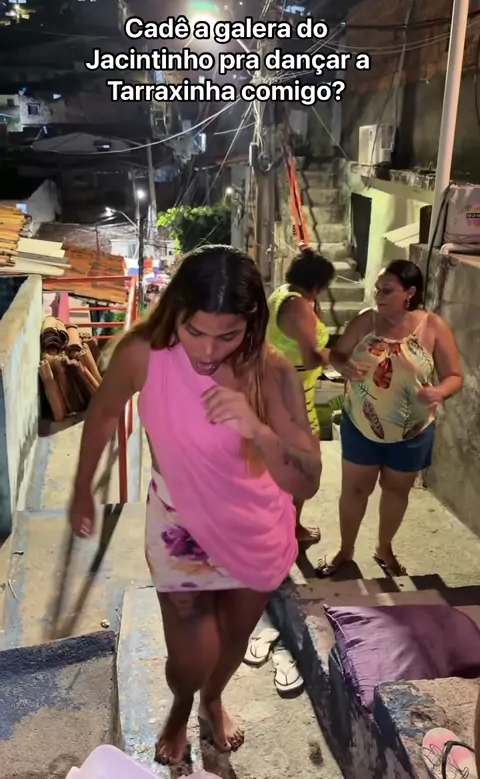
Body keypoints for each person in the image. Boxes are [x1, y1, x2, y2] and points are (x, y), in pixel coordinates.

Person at [69, 245, 321, 765]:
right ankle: (183, 703)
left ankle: (212, 700)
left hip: (256, 527)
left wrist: (256, 429)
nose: (207, 350)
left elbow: (309, 478)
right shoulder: (142, 353)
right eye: (195, 331)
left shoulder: (272, 371)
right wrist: (81, 487)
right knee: (190, 653)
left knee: (232, 638)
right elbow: (103, 414)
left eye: (228, 335)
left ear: (251, 323)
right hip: (179, 527)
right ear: (177, 310)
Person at [317, 259, 463, 578]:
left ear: (409, 293)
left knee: (396, 491)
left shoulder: (433, 327)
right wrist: (343, 366)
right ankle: (345, 549)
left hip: (412, 431)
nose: (378, 295)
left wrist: (439, 392)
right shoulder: (365, 320)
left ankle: (384, 548)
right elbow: (337, 353)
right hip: (361, 424)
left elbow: (454, 375)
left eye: (387, 290)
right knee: (355, 490)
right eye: (377, 289)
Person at [267, 247, 335, 546]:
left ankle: (279, 525)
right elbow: (311, 358)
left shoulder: (282, 295)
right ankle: (290, 528)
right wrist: (343, 356)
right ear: (317, 283)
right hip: (294, 397)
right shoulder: (298, 306)